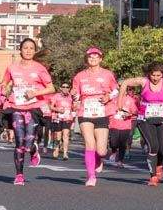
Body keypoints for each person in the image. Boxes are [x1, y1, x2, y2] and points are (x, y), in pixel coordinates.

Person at [0, 38, 55, 185]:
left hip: (33, 108)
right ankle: (19, 175)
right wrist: (4, 89)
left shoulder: (39, 68)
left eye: (31, 48)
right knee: (19, 142)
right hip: (17, 107)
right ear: (20, 50)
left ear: (35, 51)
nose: (28, 50)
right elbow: (4, 83)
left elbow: (51, 88)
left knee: (28, 142)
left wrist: (34, 93)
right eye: (25, 48)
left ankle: (33, 150)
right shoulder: (12, 67)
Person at [120, 63, 163, 186]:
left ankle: (159, 164)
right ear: (149, 74)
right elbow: (125, 83)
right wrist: (120, 103)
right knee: (153, 147)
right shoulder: (144, 82)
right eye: (153, 75)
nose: (155, 78)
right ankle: (153, 176)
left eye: (158, 75)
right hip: (145, 119)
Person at [72, 47, 119, 187]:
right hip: (85, 112)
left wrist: (108, 96)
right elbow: (75, 93)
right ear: (87, 59)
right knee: (89, 143)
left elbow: (116, 89)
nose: (93, 59)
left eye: (96, 57)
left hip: (102, 112)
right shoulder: (79, 76)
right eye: (90, 57)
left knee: (101, 150)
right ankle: (91, 176)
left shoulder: (107, 74)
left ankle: (99, 159)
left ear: (100, 59)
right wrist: (74, 95)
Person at [107, 90, 138, 168]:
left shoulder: (130, 100)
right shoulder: (112, 99)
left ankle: (120, 161)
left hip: (125, 125)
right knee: (113, 142)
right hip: (113, 124)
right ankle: (114, 151)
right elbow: (107, 109)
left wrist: (129, 114)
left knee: (122, 144)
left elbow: (135, 111)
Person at [47, 82, 74, 160]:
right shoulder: (56, 96)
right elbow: (50, 106)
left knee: (66, 135)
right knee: (58, 137)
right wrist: (57, 109)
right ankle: (56, 150)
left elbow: (74, 107)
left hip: (67, 118)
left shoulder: (71, 97)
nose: (65, 88)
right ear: (60, 88)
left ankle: (65, 153)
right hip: (58, 118)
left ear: (69, 88)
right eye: (64, 87)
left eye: (67, 87)